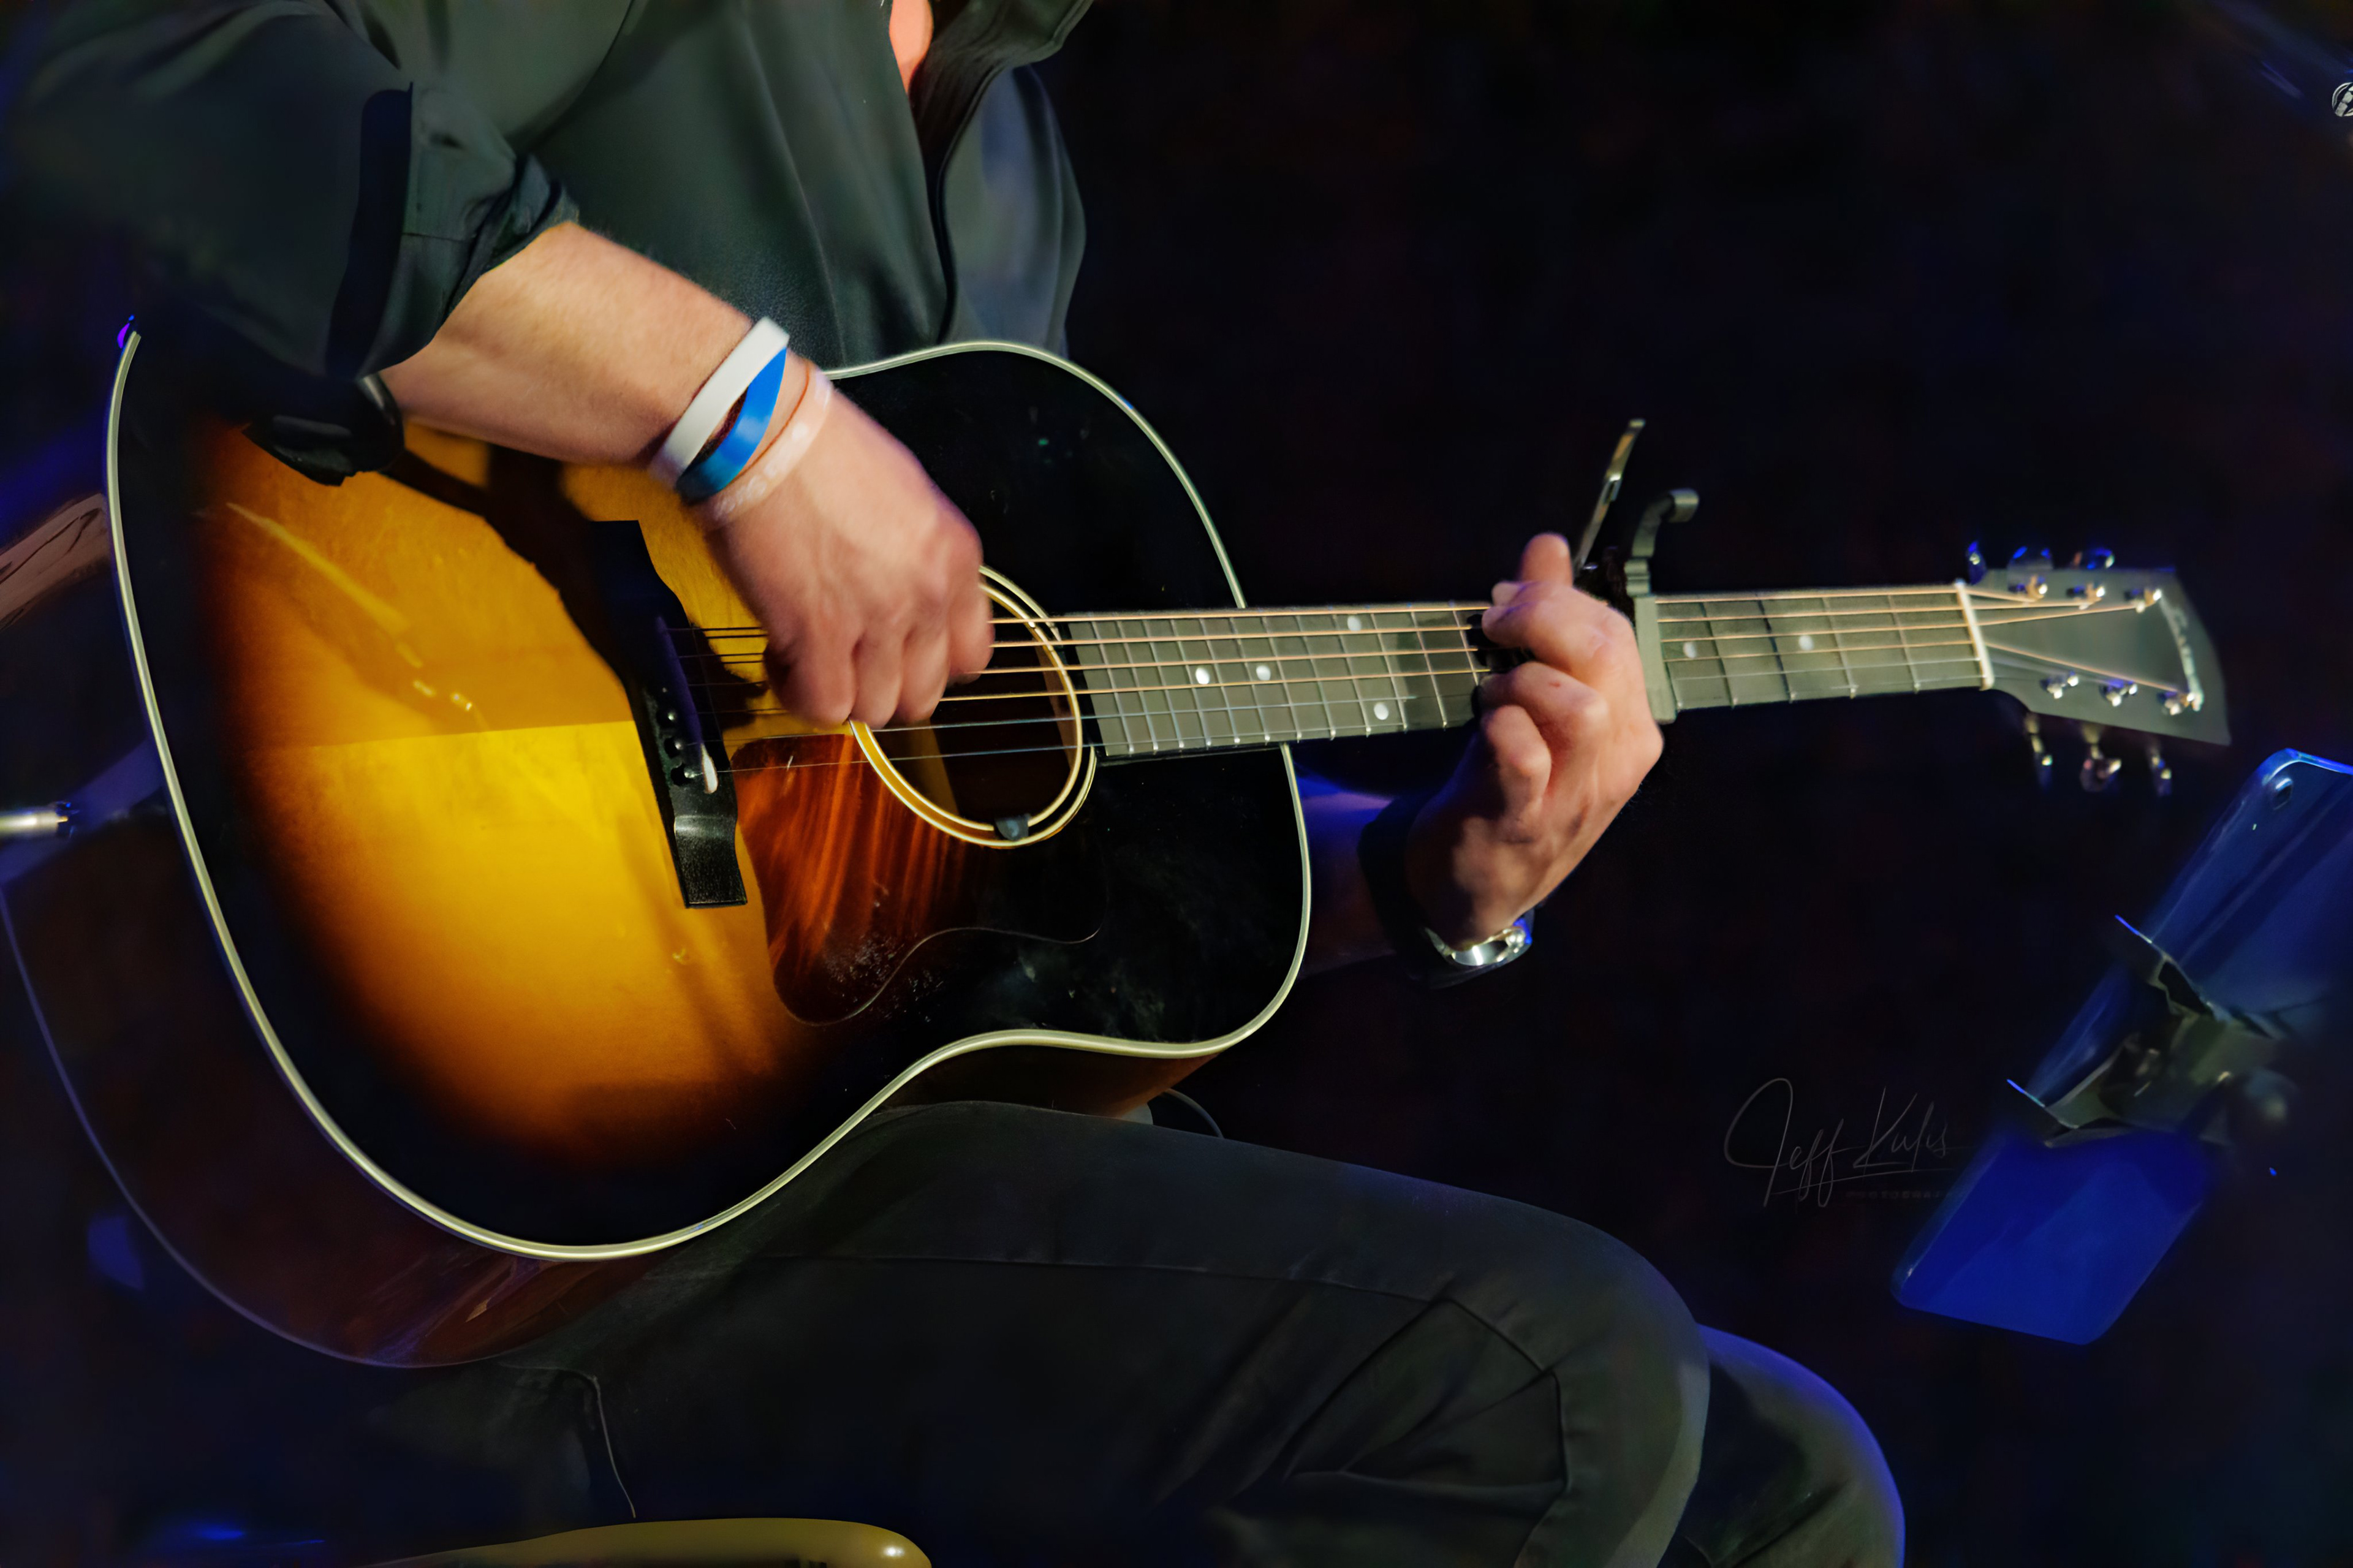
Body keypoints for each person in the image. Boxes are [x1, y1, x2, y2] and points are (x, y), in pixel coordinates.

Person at [7, 2, 1904, 1562]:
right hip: (486, 1238)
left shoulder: (1011, 161)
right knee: (1554, 1381)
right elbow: (129, 67)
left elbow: (1000, 859)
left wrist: (1423, 876)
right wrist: (747, 417)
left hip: (829, 1174)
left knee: (1786, 1485)